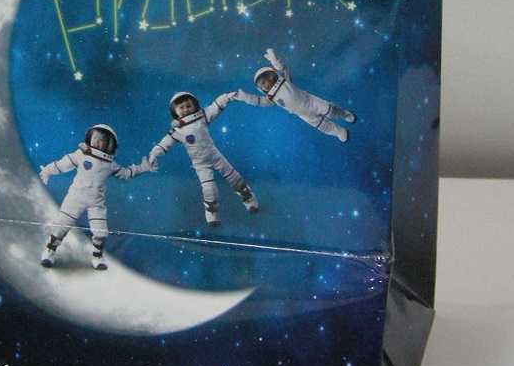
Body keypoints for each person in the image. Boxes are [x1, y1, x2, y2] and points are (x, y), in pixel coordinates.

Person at [38, 125, 154, 270]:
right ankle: (50, 250)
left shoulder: (110, 164)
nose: (97, 142)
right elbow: (63, 164)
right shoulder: (80, 155)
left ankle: (97, 256)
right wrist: (48, 171)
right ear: (89, 138)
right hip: (75, 197)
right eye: (95, 138)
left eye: (102, 140)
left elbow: (125, 174)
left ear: (109, 144)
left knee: (100, 232)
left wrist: (143, 168)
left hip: (96, 202)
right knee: (61, 226)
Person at [148, 91, 258, 227]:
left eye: (189, 106)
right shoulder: (178, 131)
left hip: (216, 157)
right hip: (201, 165)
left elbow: (215, 107)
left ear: (195, 106)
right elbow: (164, 143)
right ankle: (211, 212)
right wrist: (154, 154)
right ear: (174, 111)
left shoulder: (202, 117)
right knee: (209, 190)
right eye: (181, 107)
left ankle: (248, 199)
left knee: (235, 179)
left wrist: (227, 97)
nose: (186, 110)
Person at [231, 47, 356, 141]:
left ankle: (344, 114)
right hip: (303, 114)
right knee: (323, 126)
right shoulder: (270, 98)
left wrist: (275, 60)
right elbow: (260, 101)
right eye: (261, 86)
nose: (264, 86)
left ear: (270, 76)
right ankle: (339, 131)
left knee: (330, 110)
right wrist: (246, 98)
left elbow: (283, 68)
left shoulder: (283, 80)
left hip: (310, 101)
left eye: (264, 82)